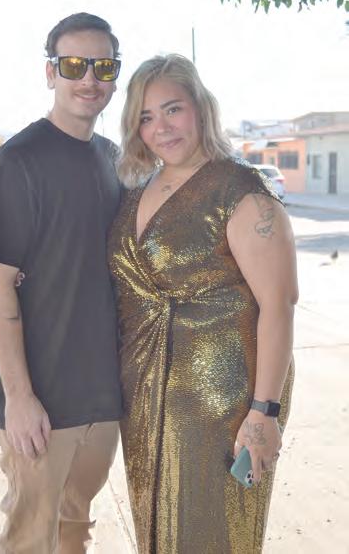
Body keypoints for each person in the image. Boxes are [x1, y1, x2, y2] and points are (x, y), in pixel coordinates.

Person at [108, 54, 298, 554]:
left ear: (201, 108)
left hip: (223, 400)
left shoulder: (241, 191)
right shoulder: (138, 188)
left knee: (211, 535)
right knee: (156, 529)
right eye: (146, 117)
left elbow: (279, 305)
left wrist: (264, 413)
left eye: (173, 109)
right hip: (145, 393)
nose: (161, 127)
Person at [0, 12, 123, 553]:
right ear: (50, 72)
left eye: (103, 66)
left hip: (102, 397)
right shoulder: (19, 161)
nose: (89, 79)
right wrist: (19, 397)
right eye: (74, 65)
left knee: (74, 532)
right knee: (29, 541)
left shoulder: (113, 160)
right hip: (41, 402)